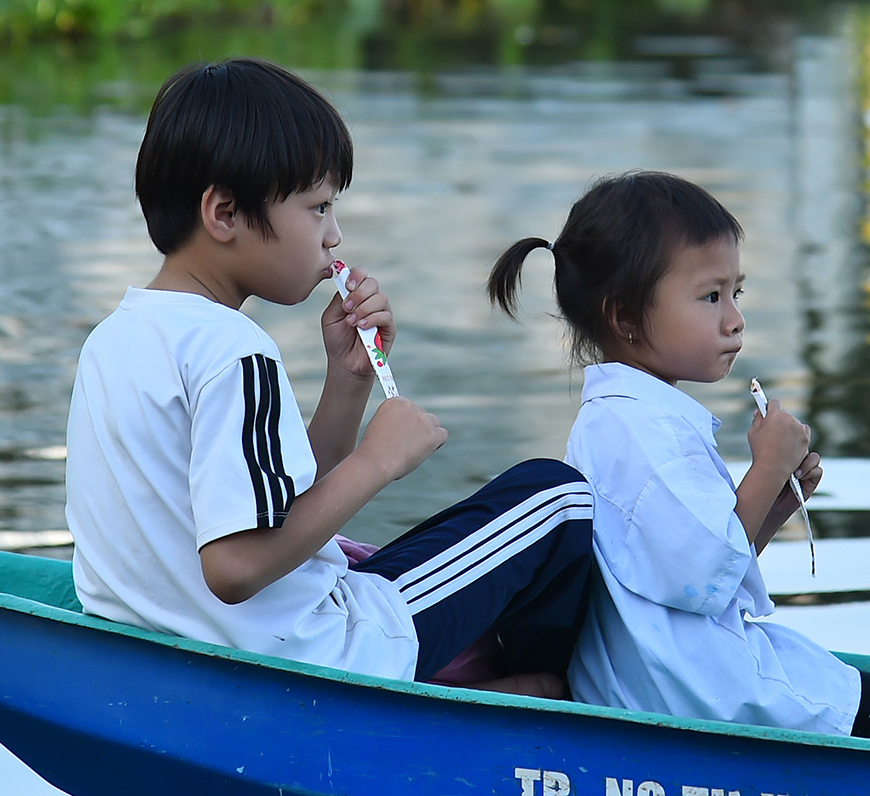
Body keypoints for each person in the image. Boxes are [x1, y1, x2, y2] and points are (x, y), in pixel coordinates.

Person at [65, 58, 594, 697]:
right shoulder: (235, 350)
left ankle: (508, 683)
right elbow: (234, 566)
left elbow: (264, 508)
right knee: (558, 499)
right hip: (319, 652)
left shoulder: (113, 338)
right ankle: (545, 695)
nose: (334, 236)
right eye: (317, 208)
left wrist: (348, 381)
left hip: (182, 642)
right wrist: (378, 460)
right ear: (224, 213)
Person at [487, 172, 870, 747]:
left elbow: (695, 570)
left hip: (660, 673)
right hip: (693, 684)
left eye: (736, 293)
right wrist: (765, 469)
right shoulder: (646, 432)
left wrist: (776, 503)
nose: (735, 319)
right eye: (710, 296)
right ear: (625, 318)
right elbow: (701, 574)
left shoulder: (623, 419)